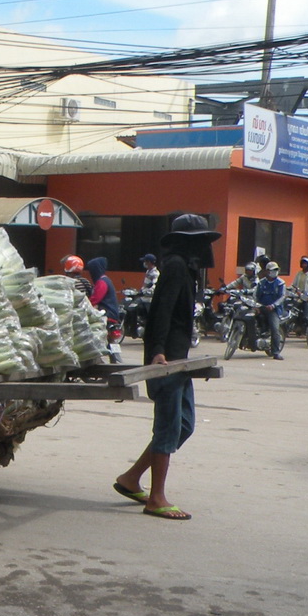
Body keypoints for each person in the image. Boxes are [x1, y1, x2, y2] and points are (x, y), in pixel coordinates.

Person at [114, 213, 219, 521]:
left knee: (183, 426)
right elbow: (161, 311)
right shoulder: (174, 266)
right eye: (200, 241)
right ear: (187, 243)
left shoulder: (186, 268)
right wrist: (158, 350)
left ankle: (131, 478)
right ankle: (156, 498)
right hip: (167, 359)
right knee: (168, 426)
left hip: (179, 359)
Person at [255, 261, 286, 360]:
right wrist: (255, 305)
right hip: (261, 307)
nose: (274, 272)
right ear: (267, 271)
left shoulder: (280, 283)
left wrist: (273, 305)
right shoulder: (261, 282)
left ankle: (275, 352)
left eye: (276, 270)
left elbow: (282, 297)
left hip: (273, 310)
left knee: (275, 329)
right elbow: (255, 295)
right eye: (272, 270)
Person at [87, 257, 122, 324]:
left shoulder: (102, 282)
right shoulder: (105, 280)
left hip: (108, 314)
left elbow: (95, 299)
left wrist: (85, 305)